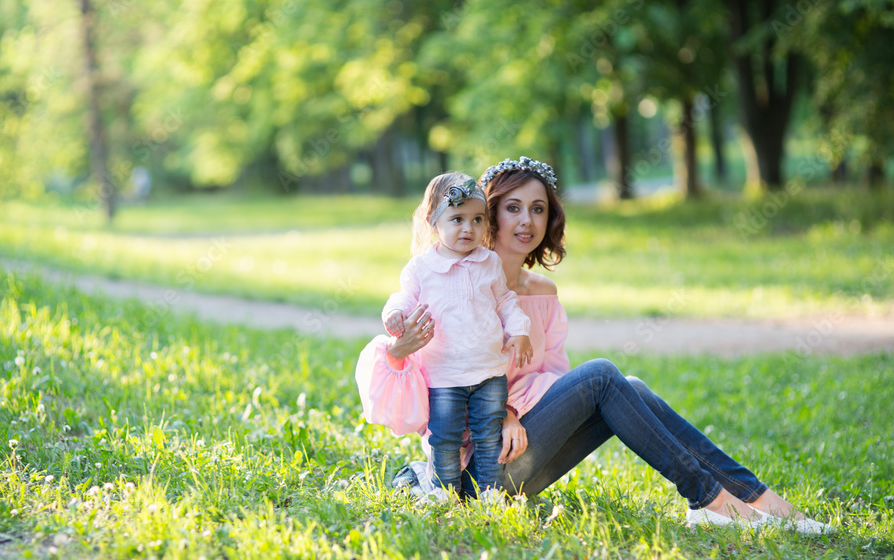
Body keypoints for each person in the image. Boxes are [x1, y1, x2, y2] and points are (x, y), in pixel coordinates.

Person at [357, 157, 833, 534]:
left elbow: (555, 381)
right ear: (488, 215)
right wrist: (494, 406)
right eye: (513, 207)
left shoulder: (541, 296)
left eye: (538, 208)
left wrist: (515, 410)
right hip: (473, 475)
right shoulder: (449, 285)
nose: (527, 221)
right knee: (605, 375)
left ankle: (755, 499)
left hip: (526, 455)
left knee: (628, 385)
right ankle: (710, 500)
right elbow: (431, 389)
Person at [369, 171, 533, 499]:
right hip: (443, 375)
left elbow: (505, 302)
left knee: (488, 436)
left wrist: (520, 331)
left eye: (477, 220)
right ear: (434, 222)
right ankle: (443, 491)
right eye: (457, 219)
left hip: (489, 372)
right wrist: (395, 315)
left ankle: (489, 492)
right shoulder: (421, 268)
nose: (468, 229)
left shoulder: (489, 262)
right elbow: (403, 297)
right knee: (445, 438)